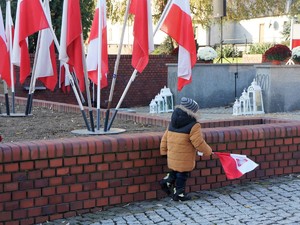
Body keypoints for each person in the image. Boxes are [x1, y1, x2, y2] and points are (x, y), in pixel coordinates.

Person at [160, 97, 212, 201]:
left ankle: (167, 181)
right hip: (184, 156)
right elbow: (198, 142)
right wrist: (208, 151)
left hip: (172, 154)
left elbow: (165, 137)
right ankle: (179, 194)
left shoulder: (172, 122)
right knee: (182, 174)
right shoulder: (194, 125)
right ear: (193, 111)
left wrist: (163, 150)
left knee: (176, 170)